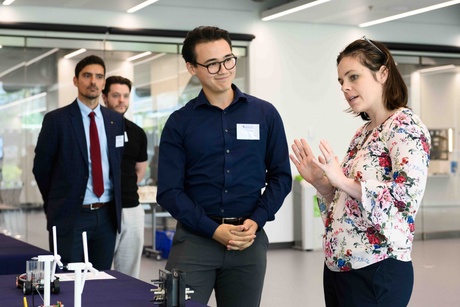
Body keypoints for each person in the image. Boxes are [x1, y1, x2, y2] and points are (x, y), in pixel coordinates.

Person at [156, 26, 292, 307]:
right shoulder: (180, 123)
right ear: (192, 68)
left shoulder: (264, 114)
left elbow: (280, 176)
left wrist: (257, 219)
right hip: (195, 240)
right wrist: (212, 229)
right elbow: (169, 190)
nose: (223, 69)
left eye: (228, 59)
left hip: (248, 241)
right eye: (212, 63)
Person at [290, 37, 431, 306]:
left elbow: (404, 201)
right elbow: (345, 201)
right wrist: (322, 183)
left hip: (377, 268)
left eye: (353, 76)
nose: (345, 87)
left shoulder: (406, 127)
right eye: (341, 81)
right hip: (340, 265)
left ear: (383, 73)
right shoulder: (363, 133)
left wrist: (341, 180)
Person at [33, 55, 125, 270]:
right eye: (87, 75)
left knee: (100, 281)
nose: (93, 81)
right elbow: (41, 168)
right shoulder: (57, 120)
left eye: (99, 76)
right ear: (75, 80)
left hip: (107, 217)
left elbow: (116, 164)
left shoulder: (115, 121)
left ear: (104, 83)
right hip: (71, 216)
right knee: (66, 281)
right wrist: (58, 202)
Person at [102, 76, 148, 278]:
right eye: (116, 95)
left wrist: (125, 189)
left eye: (126, 96)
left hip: (132, 209)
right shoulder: (95, 130)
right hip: (103, 210)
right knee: (98, 271)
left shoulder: (137, 133)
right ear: (105, 97)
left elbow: (140, 170)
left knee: (130, 274)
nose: (122, 100)